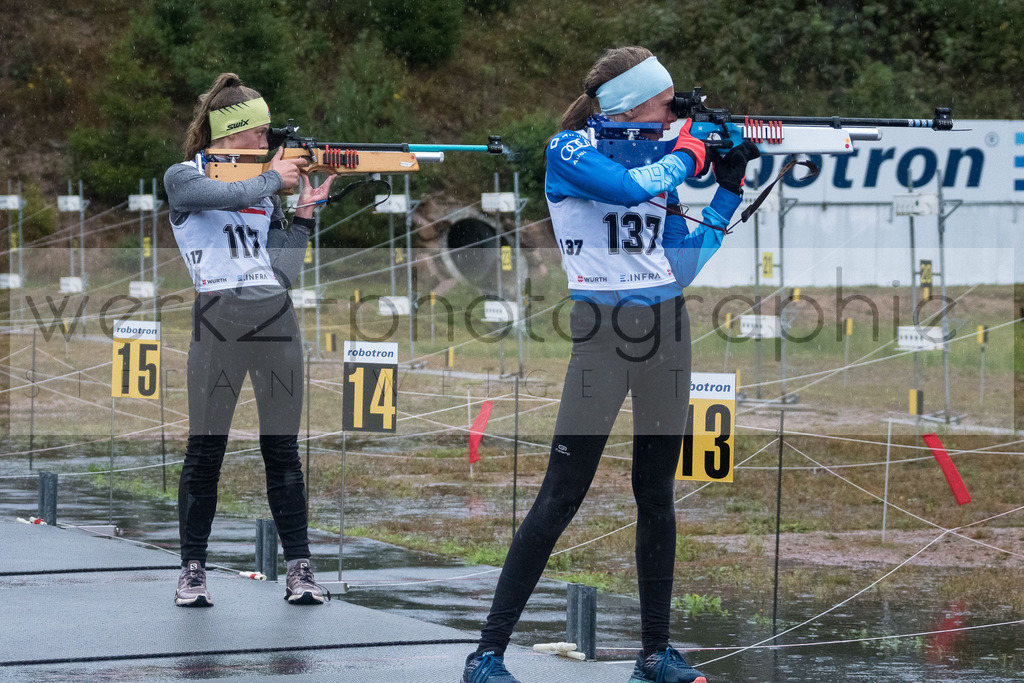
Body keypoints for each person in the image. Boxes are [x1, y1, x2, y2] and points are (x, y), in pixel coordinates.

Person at [461, 47, 758, 683]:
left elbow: (678, 266)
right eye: (664, 101)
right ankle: (486, 654)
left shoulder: (659, 160)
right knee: (559, 497)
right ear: (627, 105)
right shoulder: (569, 151)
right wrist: (693, 151)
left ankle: (655, 653)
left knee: (656, 495)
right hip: (602, 332)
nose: (674, 111)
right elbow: (624, 188)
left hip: (667, 329)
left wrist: (727, 189)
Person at [164, 73, 335, 607]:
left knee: (282, 450)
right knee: (205, 449)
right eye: (259, 134)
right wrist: (273, 179)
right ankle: (193, 568)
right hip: (217, 316)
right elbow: (215, 192)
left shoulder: (263, 187)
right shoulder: (185, 177)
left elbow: (281, 272)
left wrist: (302, 219)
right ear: (231, 132)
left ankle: (300, 567)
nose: (266, 144)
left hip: (274, 316)